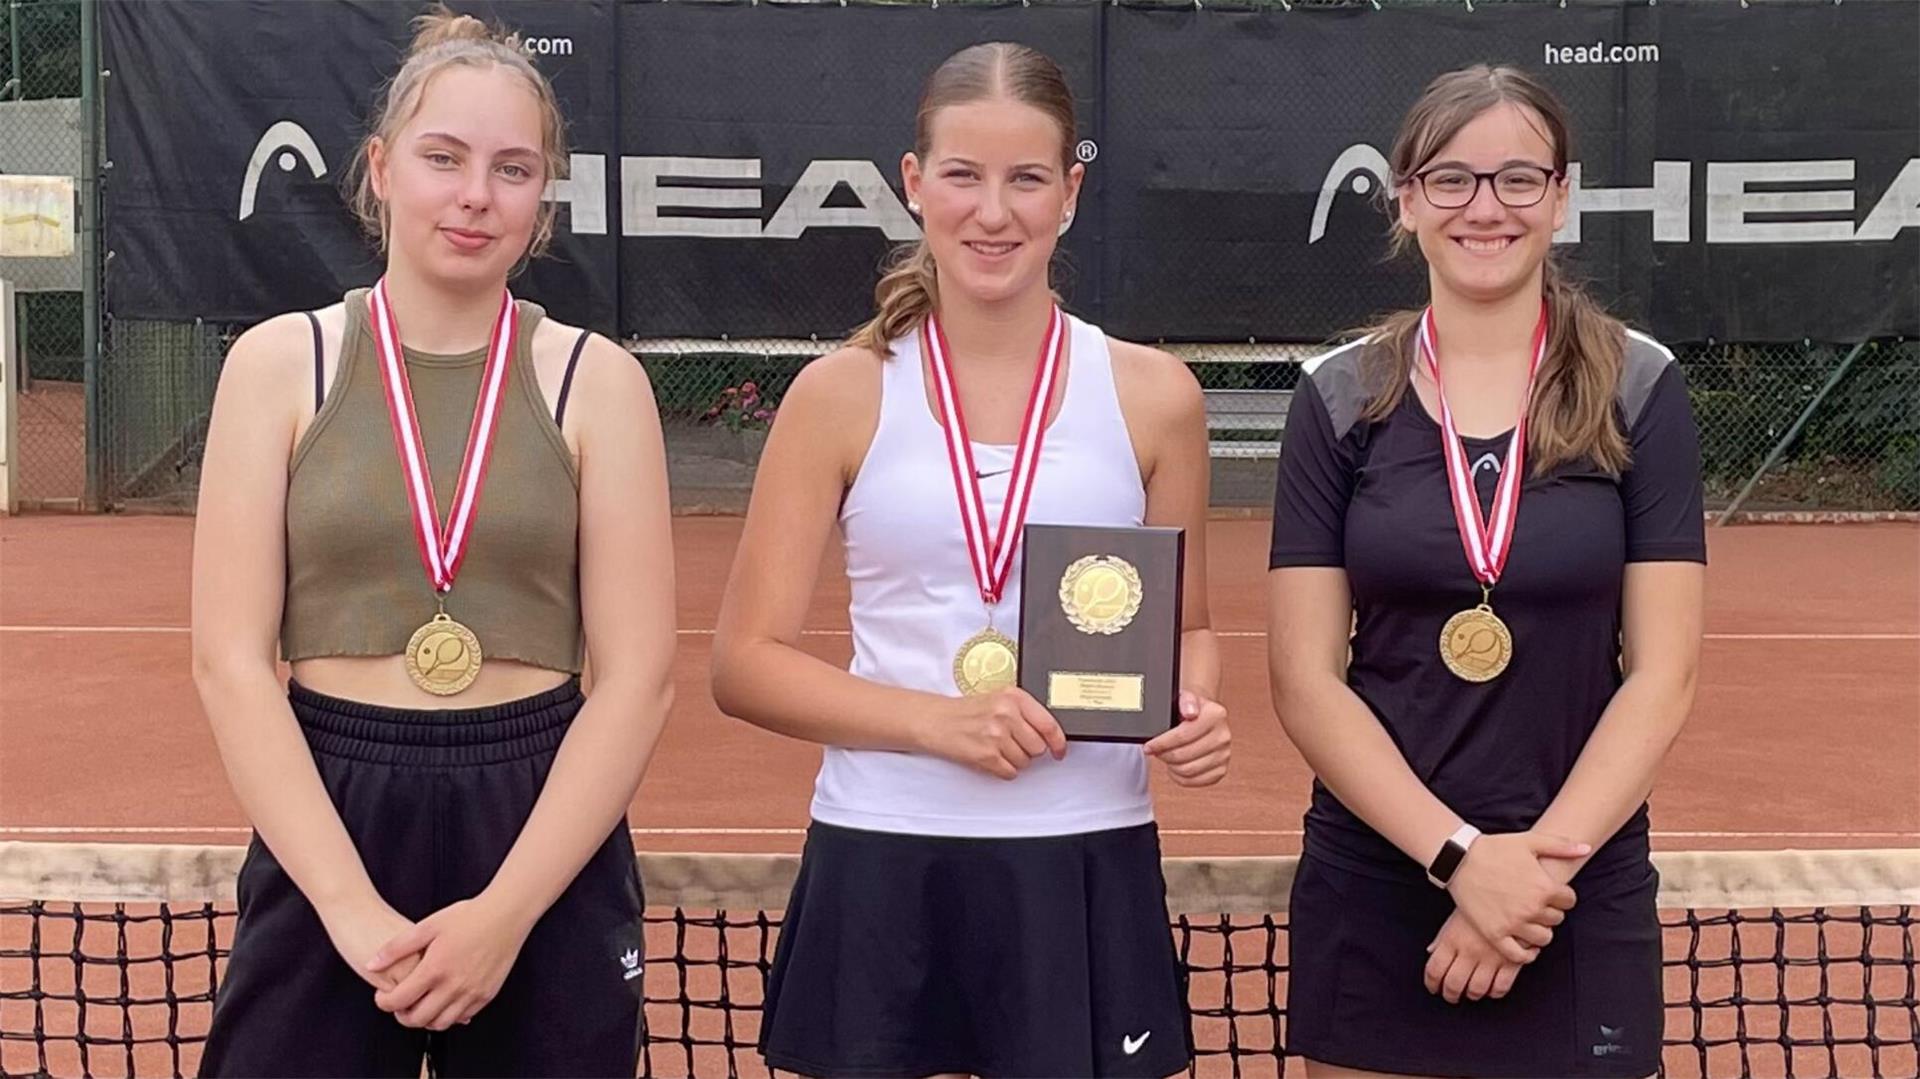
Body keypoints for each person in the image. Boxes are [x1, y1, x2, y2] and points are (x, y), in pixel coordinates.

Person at [709, 41, 1231, 1079]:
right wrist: (935, 723)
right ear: (914, 183)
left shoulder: (1155, 395)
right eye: (963, 175)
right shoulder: (839, 394)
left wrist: (1190, 703)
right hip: (882, 846)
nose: (994, 212)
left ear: (1070, 192)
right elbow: (743, 661)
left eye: (1027, 178)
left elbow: (1191, 626)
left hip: (1083, 847)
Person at [189, 8, 675, 1075]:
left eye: (511, 168)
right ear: (381, 166)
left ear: (542, 193)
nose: (475, 195)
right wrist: (353, 910)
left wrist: (504, 914)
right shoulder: (280, 364)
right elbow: (230, 659)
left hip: (536, 815)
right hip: (332, 809)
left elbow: (637, 677)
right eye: (443, 158)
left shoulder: (602, 382)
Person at [1266, 63, 1706, 1078]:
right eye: (1454, 179)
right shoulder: (1338, 397)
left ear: (1560, 198)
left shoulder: (1641, 384)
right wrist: (1462, 858)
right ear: (1409, 200)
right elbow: (1302, 676)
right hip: (1378, 876)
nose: (1486, 207)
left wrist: (1526, 879)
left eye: (1518, 178)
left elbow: (1664, 671)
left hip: (1574, 885)